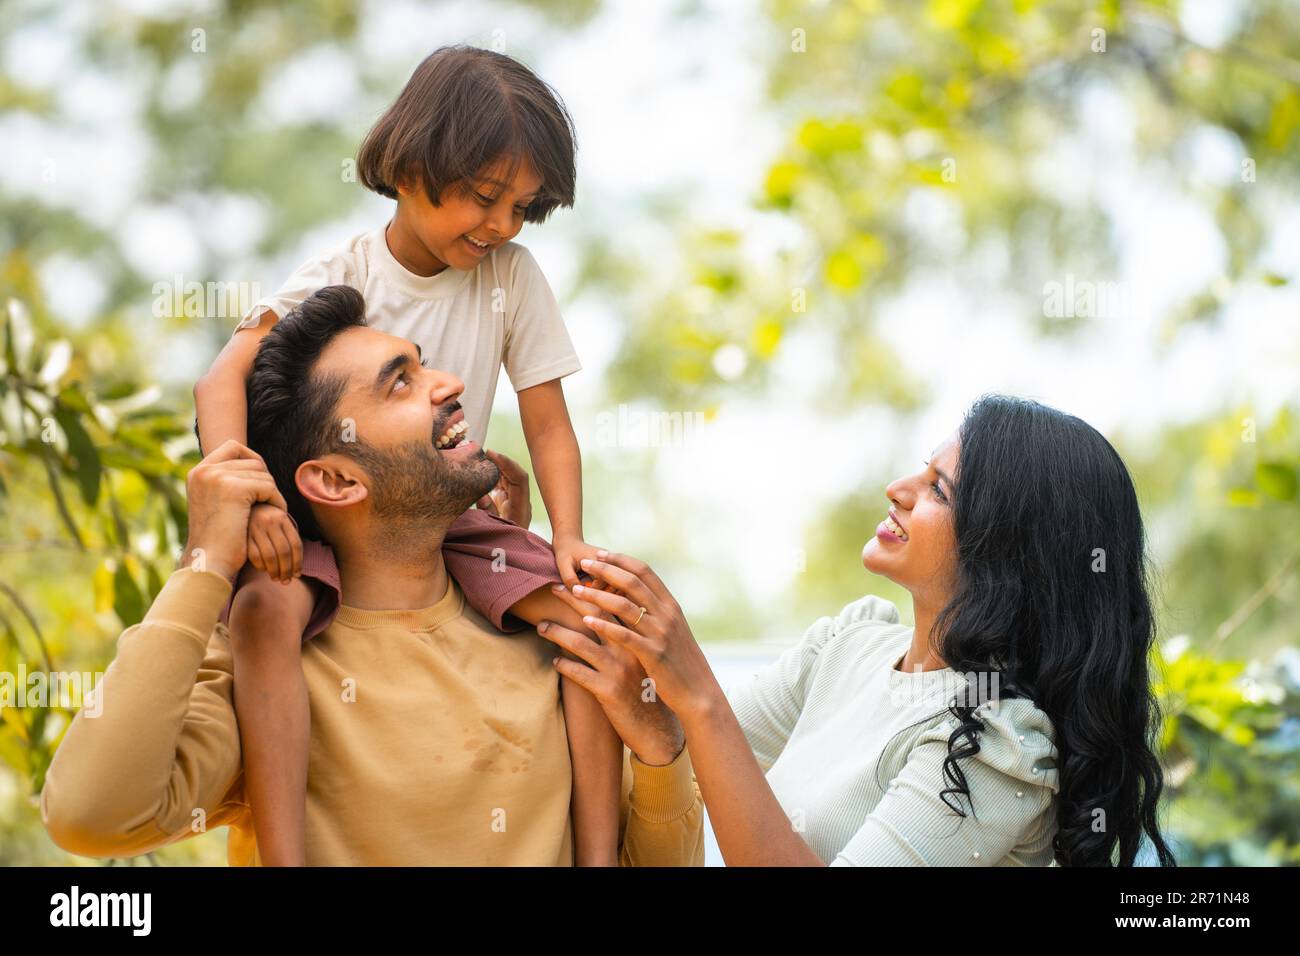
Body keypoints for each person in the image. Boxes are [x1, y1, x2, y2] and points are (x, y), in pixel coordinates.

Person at [40, 288, 703, 866]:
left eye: (423, 365)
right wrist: (206, 562)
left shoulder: (543, 629)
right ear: (333, 480)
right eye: (401, 383)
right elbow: (87, 814)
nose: (450, 383)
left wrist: (658, 750)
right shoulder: (262, 669)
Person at [191, 45, 621, 865]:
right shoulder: (344, 272)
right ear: (414, 159)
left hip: (446, 513)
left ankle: (595, 854)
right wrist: (252, 501)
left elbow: (551, 424)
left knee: (586, 627)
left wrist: (567, 538)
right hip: (329, 512)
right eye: (484, 197)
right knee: (266, 610)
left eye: (523, 209)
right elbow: (223, 378)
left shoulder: (514, 279)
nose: (499, 226)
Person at [537, 394, 1180, 866]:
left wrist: (696, 689)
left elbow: (703, 723)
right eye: (921, 470)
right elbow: (686, 752)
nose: (897, 489)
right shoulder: (850, 645)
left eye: (940, 490)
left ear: (1006, 550)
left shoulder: (993, 746)